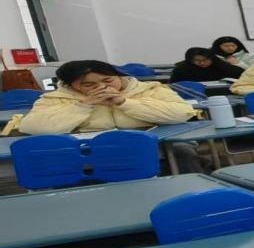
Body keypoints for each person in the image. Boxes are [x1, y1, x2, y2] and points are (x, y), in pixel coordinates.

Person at [19, 60, 204, 173]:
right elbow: (32, 126)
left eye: (108, 80)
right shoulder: (56, 98)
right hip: (88, 148)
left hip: (154, 142)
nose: (102, 87)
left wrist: (124, 102)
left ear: (117, 76)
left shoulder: (150, 89)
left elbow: (182, 112)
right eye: (88, 85)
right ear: (71, 85)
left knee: (182, 151)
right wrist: (84, 105)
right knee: (56, 158)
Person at [169, 47, 244, 83]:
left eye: (205, 60)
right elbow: (174, 85)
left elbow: (242, 76)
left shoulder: (223, 66)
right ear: (190, 60)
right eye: (197, 60)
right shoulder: (182, 70)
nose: (202, 63)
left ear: (212, 58)